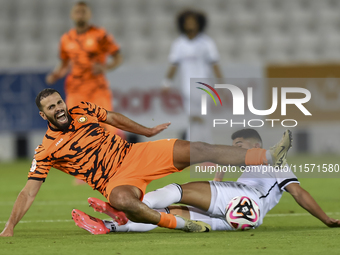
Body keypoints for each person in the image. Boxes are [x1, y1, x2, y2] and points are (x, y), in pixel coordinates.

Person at [0, 90, 291, 237]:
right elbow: (28, 192)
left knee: (199, 148)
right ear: (43, 115)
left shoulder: (83, 110)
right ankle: (180, 225)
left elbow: (112, 117)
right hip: (113, 180)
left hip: (136, 155)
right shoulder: (45, 151)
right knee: (123, 199)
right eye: (51, 107)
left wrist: (147, 131)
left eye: (59, 102)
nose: (59, 108)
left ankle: (265, 156)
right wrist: (9, 226)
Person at [72, 129, 340, 234]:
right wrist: (217, 177)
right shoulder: (259, 170)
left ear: (255, 145)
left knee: (176, 191)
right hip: (245, 217)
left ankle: (122, 208)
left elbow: (299, 193)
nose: (235, 149)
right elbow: (221, 178)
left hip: (242, 200)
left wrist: (325, 219)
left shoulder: (277, 165)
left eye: (240, 145)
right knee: (167, 214)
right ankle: (110, 227)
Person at [46, 1, 122, 134]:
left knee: (106, 126)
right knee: (75, 128)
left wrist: (105, 67)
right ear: (72, 15)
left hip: (97, 88)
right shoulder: (66, 39)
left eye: (83, 12)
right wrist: (56, 74)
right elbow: (64, 64)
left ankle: (110, 153)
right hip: (76, 89)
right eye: (77, 12)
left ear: (89, 15)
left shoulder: (100, 34)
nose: (80, 15)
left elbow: (118, 57)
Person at [162, 9, 223, 142]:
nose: (190, 25)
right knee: (191, 117)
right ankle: (193, 146)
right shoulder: (179, 44)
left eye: (193, 22)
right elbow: (174, 65)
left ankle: (207, 145)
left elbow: (215, 64)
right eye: (187, 22)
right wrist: (167, 82)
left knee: (203, 116)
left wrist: (221, 83)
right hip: (187, 86)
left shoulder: (207, 42)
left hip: (204, 85)